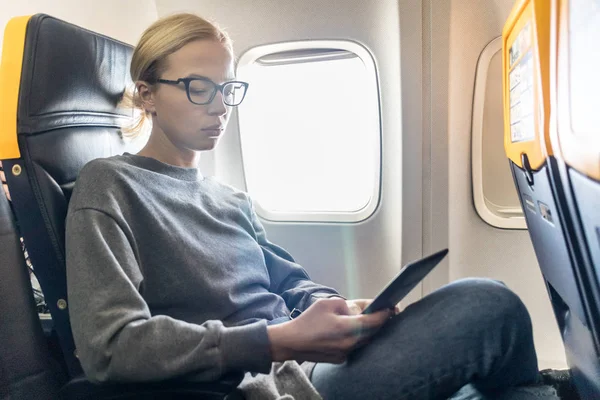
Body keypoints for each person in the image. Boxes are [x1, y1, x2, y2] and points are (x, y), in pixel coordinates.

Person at [65, 13, 576, 400]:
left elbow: (289, 281)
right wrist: (278, 340)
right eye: (200, 88)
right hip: (270, 382)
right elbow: (111, 346)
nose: (220, 106)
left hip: (300, 355)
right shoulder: (108, 185)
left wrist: (337, 309)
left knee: (483, 357)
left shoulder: (227, 197)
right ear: (147, 94)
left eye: (228, 89)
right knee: (490, 306)